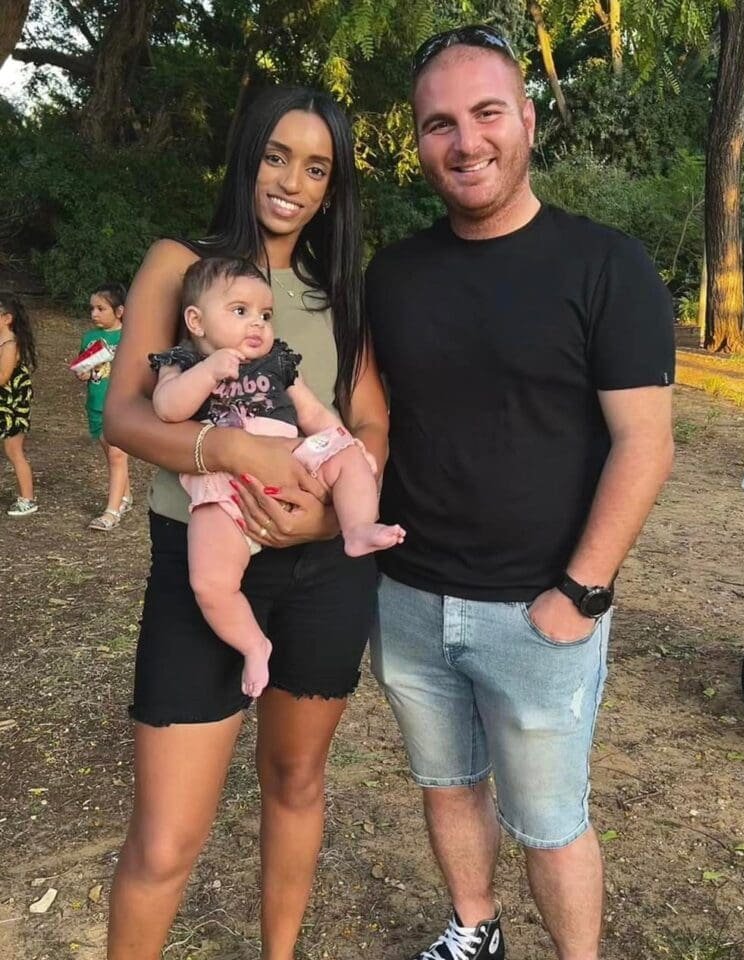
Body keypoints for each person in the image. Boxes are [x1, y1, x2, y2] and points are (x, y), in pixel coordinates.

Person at [366, 25, 675, 960]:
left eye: (486, 113)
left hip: (540, 613)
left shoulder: (607, 267)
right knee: (447, 782)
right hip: (409, 598)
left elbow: (645, 445)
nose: (466, 142)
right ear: (418, 142)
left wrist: (579, 593)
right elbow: (372, 423)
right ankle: (474, 929)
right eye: (439, 124)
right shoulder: (395, 273)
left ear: (527, 120)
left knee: (549, 821)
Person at [104, 85, 389, 960]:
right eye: (277, 155)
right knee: (166, 840)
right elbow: (125, 417)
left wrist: (319, 520)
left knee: (296, 782)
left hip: (323, 577)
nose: (292, 182)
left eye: (317, 168)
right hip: (204, 568)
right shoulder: (178, 266)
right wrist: (229, 455)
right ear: (246, 155)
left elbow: (371, 421)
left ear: (333, 189)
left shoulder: (336, 287)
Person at [150, 255, 404, 697]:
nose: (258, 325)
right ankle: (253, 645)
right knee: (209, 583)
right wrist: (209, 372)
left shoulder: (278, 361)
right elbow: (167, 409)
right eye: (240, 311)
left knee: (350, 458)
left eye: (265, 315)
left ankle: (358, 528)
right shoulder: (183, 361)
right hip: (224, 489)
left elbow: (311, 413)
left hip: (296, 457)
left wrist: (344, 442)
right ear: (196, 320)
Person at [75, 284, 133, 530]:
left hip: (122, 406)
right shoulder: (89, 338)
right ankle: (125, 497)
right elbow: (83, 370)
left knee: (118, 454)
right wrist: (83, 373)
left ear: (120, 310)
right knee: (110, 454)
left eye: (101, 308)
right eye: (92, 309)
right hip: (96, 404)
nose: (94, 314)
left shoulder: (131, 337)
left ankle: (111, 512)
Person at [0, 291, 38, 516]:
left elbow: (3, 377)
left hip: (12, 407)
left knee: (14, 450)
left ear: (7, 318)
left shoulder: (10, 344)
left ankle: (27, 499)